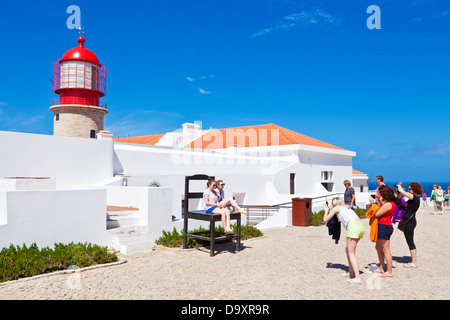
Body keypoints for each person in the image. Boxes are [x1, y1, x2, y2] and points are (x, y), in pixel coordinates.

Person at [324, 198, 365, 284]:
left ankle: (357, 278)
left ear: (334, 204)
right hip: (360, 226)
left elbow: (325, 219)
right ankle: (350, 272)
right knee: (347, 249)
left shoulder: (336, 208)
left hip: (352, 226)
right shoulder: (346, 208)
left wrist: (326, 210)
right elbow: (338, 220)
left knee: (351, 252)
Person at [373, 184, 399, 278]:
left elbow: (377, 214)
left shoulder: (388, 204)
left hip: (384, 226)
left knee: (386, 249)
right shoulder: (389, 203)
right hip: (383, 226)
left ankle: (389, 271)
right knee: (378, 247)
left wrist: (376, 203)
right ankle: (381, 267)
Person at [397, 182, 423, 268]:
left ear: (414, 189)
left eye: (410, 189)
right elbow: (403, 204)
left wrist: (399, 186)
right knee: (409, 241)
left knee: (410, 242)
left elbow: (402, 191)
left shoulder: (414, 198)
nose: (409, 190)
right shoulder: (413, 199)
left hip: (409, 222)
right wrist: (398, 194)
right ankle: (413, 261)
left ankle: (414, 262)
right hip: (409, 222)